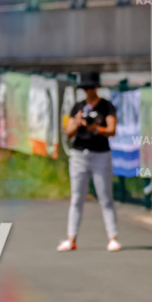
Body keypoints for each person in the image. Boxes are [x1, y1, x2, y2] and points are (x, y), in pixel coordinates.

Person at [57, 71, 121, 252]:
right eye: (85, 88)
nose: (87, 91)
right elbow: (68, 132)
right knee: (77, 197)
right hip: (79, 154)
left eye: (90, 87)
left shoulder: (106, 106)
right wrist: (77, 123)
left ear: (97, 87)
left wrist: (96, 128)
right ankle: (71, 238)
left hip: (100, 154)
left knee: (105, 196)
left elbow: (112, 129)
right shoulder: (78, 107)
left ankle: (113, 237)